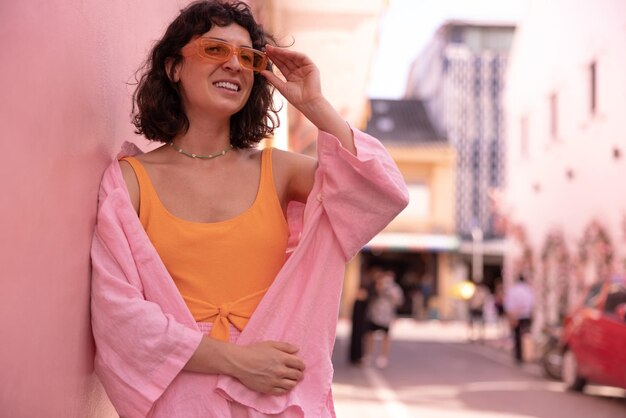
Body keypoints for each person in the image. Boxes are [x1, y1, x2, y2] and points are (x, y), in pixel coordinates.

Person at [89, 1, 409, 417]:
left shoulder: (278, 171)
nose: (235, 65)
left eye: (247, 57)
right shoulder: (128, 181)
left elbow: (381, 193)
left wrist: (314, 105)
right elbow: (120, 318)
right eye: (215, 50)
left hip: (277, 398)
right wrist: (239, 361)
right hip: (182, 402)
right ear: (173, 68)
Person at [362, 271, 404, 368]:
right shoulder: (377, 285)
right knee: (370, 335)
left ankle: (383, 357)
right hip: (374, 315)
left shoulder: (394, 288)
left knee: (386, 337)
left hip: (387, 316)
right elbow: (370, 297)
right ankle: (368, 355)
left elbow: (399, 301)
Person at [504, 274, 535, 364]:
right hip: (526, 315)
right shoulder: (528, 290)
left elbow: (508, 305)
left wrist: (511, 315)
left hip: (515, 316)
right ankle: (527, 355)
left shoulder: (512, 290)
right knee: (526, 336)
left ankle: (518, 356)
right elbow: (532, 303)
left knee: (517, 337)